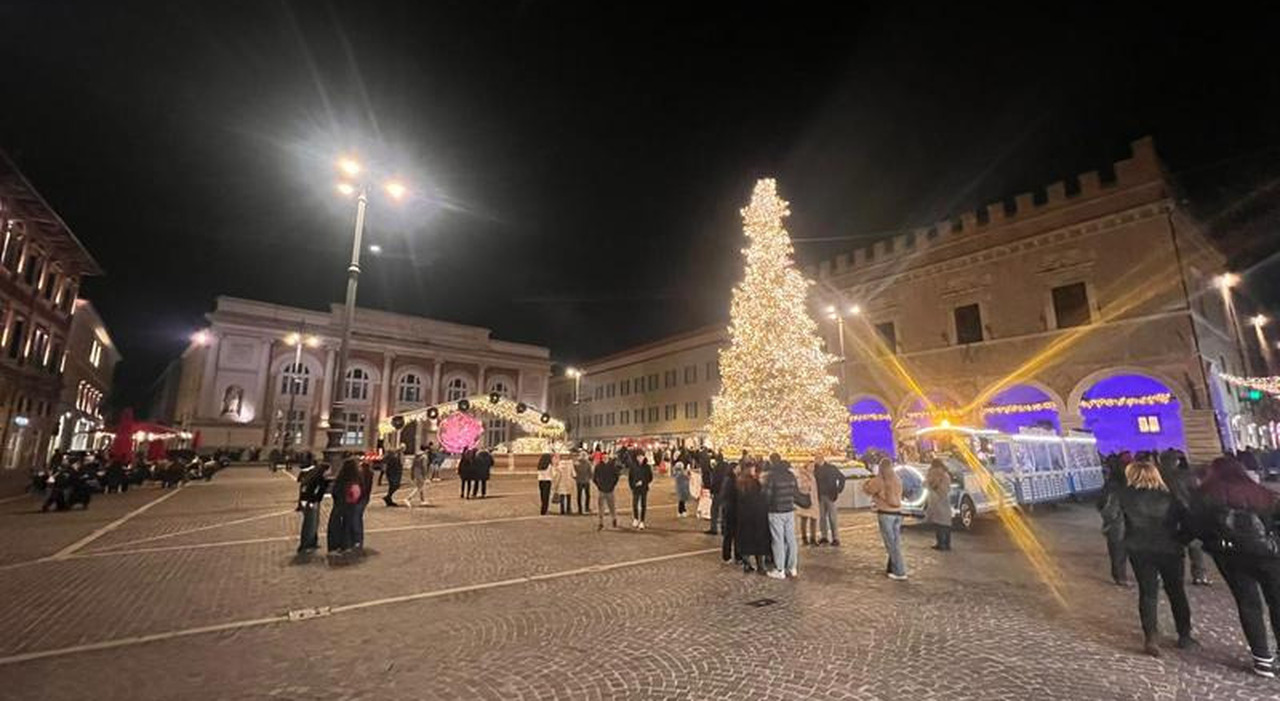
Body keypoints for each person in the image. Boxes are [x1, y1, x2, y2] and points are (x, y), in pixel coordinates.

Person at [1190, 455, 1280, 678]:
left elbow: (1197, 527)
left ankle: (1262, 659)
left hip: (1231, 557)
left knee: (1248, 604)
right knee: (1277, 603)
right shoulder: (1263, 494)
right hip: (1269, 557)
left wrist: (1211, 544)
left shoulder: (1206, 496)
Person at [1120, 458, 1196, 657]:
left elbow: (1114, 521)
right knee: (1177, 591)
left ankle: (1151, 637)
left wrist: (1125, 542)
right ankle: (1184, 635)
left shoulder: (1125, 497)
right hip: (1170, 548)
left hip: (1139, 549)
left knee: (1148, 592)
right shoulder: (1170, 496)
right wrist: (1182, 540)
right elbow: (1189, 522)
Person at [1158, 448, 1211, 586]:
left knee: (1170, 546)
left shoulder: (1158, 476)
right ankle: (1199, 575)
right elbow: (1199, 494)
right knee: (1194, 545)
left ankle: (1171, 576)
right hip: (1188, 513)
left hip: (1165, 515)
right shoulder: (1188, 476)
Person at [863, 457, 906, 580]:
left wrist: (866, 483)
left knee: (890, 544)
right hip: (897, 513)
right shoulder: (897, 479)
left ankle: (899, 571)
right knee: (896, 542)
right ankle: (892, 567)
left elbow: (868, 489)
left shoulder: (880, 480)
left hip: (885, 513)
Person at [762, 453, 803, 578]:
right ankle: (792, 567)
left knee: (778, 540)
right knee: (791, 539)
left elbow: (767, 495)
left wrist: (765, 505)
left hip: (776, 511)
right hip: (789, 510)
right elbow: (796, 492)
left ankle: (780, 569)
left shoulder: (772, 477)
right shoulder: (791, 476)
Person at [1099, 456, 1131, 587]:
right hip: (1125, 524)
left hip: (1116, 526)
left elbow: (1103, 506)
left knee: (1117, 552)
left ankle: (1120, 576)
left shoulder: (1109, 487)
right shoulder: (1127, 488)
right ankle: (1122, 576)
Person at [734, 460, 770, 573]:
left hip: (744, 516)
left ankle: (747, 564)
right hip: (757, 515)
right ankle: (761, 566)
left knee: (746, 540)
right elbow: (761, 498)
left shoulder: (739, 482)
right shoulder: (754, 483)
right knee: (759, 541)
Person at [813, 451, 847, 546]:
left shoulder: (831, 468)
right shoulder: (814, 469)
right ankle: (824, 536)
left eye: (818, 458)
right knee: (822, 517)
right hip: (819, 496)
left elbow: (842, 478)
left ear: (823, 459)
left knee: (832, 517)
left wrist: (839, 489)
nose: (817, 460)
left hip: (830, 496)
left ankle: (835, 538)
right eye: (816, 458)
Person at [327, 460, 360, 553]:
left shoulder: (340, 479)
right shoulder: (353, 480)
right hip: (348, 505)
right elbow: (355, 494)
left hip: (340, 505)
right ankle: (346, 545)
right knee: (347, 526)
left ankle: (336, 545)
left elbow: (335, 492)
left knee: (338, 525)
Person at [296, 462, 330, 553]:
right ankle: (305, 545)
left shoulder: (319, 478)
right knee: (309, 524)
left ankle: (312, 542)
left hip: (313, 502)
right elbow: (310, 491)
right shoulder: (315, 479)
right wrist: (309, 502)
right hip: (310, 502)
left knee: (314, 523)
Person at [925, 459, 953, 551]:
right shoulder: (945, 474)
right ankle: (946, 544)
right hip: (944, 500)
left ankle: (941, 544)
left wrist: (930, 483)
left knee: (939, 523)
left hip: (938, 499)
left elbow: (930, 484)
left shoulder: (937, 474)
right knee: (945, 523)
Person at [794, 460, 819, 545]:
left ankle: (813, 538)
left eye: (813, 466)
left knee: (814, 519)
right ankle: (804, 538)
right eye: (811, 466)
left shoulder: (813, 475)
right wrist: (807, 484)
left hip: (814, 500)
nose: (812, 468)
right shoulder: (802, 475)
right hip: (806, 500)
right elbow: (801, 486)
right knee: (804, 519)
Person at [593, 455, 621, 530]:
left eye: (606, 458)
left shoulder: (612, 467)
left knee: (612, 506)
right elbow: (594, 478)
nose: (605, 459)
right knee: (601, 508)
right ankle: (601, 522)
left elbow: (616, 477)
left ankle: (614, 519)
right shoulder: (598, 466)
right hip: (601, 490)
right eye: (604, 458)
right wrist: (599, 486)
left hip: (610, 490)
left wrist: (612, 486)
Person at [352, 460, 374, 550]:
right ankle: (358, 539)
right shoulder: (369, 474)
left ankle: (357, 540)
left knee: (356, 518)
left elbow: (362, 487)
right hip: (364, 498)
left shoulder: (361, 475)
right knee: (357, 517)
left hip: (360, 498)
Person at [629, 451, 653, 529]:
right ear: (636, 457)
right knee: (634, 504)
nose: (640, 458)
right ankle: (636, 518)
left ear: (644, 457)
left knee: (643, 505)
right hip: (635, 488)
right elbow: (630, 477)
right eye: (638, 457)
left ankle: (642, 521)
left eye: (641, 456)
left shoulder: (647, 467)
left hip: (644, 488)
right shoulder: (633, 466)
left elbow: (650, 478)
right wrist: (632, 485)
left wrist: (643, 482)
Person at [573, 450, 592, 514]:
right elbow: (590, 472)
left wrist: (575, 478)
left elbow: (574, 473)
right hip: (586, 481)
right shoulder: (588, 463)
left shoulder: (576, 463)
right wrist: (590, 477)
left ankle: (580, 509)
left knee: (579, 495)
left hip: (579, 481)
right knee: (587, 495)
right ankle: (586, 508)